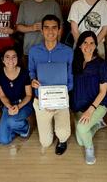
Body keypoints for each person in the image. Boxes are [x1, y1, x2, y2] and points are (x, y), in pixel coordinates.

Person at [29, 14, 73, 155]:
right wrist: (32, 81)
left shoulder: (67, 52)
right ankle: (50, 131)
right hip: (41, 100)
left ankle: (62, 139)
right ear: (41, 30)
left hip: (60, 100)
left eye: (54, 27)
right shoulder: (34, 51)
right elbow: (31, 71)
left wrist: (60, 98)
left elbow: (70, 76)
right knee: (46, 142)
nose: (50, 31)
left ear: (59, 30)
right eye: (46, 27)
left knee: (63, 133)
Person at [71, 31, 107, 165]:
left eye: (92, 42)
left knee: (82, 130)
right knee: (80, 139)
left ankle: (90, 149)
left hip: (97, 105)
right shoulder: (74, 61)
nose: (88, 45)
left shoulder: (101, 64)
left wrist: (90, 111)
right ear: (80, 45)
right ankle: (97, 124)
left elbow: (103, 91)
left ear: (95, 45)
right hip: (78, 105)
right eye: (85, 42)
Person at [16, 0, 63, 66]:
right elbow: (18, 27)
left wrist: (56, 46)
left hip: (50, 50)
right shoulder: (24, 5)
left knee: (49, 78)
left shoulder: (53, 4)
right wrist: (32, 28)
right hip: (29, 50)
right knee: (31, 79)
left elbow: (60, 27)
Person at [0, 46, 33, 145]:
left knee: (12, 121)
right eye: (7, 57)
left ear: (18, 58)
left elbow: (29, 95)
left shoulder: (25, 73)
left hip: (24, 104)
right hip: (8, 105)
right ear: (3, 59)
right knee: (4, 140)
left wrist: (18, 107)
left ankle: (25, 129)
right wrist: (9, 107)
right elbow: (2, 96)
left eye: (14, 57)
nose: (11, 60)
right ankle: (14, 126)